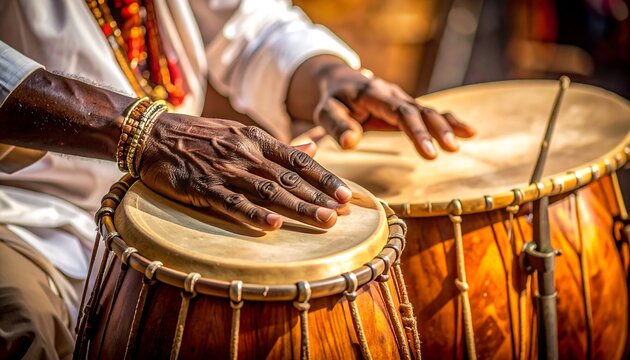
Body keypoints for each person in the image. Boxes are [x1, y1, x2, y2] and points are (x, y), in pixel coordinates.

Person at [0, 0, 476, 358]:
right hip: (24, 219)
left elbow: (248, 23)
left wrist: (326, 76)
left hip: (175, 202)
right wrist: (142, 131)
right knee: (17, 328)